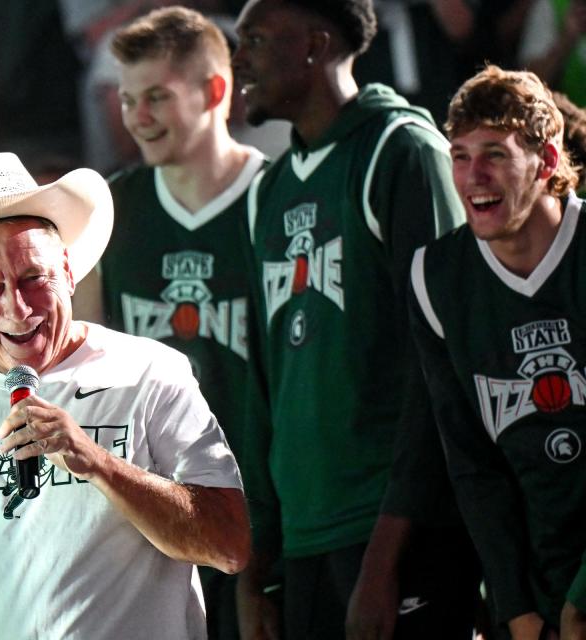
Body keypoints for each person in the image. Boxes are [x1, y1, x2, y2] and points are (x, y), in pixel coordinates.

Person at [0, 151, 251, 639]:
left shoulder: (150, 373)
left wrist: (95, 460)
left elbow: (228, 543)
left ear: (68, 273)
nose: (17, 306)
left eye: (35, 278)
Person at [232, 0, 480, 638]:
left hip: (398, 535)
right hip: (306, 536)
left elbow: (442, 369)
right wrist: (257, 559)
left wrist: (383, 561)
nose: (239, 59)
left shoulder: (402, 150)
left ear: (315, 46)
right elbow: (266, 385)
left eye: (256, 39)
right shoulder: (269, 187)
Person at [71, 7, 267, 638]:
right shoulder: (110, 209)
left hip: (268, 506)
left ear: (215, 91)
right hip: (153, 514)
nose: (138, 117)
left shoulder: (278, 198)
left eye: (157, 96)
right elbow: (83, 379)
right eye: (129, 99)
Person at [410, 64, 586, 640]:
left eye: (494, 154)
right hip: (539, 592)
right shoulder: (436, 276)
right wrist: (516, 606)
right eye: (459, 155)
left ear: (548, 162)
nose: (472, 175)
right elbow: (472, 463)